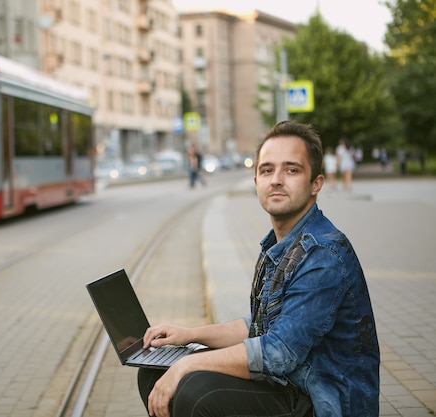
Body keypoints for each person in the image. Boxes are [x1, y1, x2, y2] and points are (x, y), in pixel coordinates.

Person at [137, 121, 379, 417]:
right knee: (153, 373)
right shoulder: (279, 245)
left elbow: (278, 352)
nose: (276, 180)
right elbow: (257, 325)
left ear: (316, 183)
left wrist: (187, 363)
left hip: (322, 400)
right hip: (290, 384)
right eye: (267, 170)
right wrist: (189, 335)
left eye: (291, 170)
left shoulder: (323, 253)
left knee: (194, 391)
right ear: (256, 183)